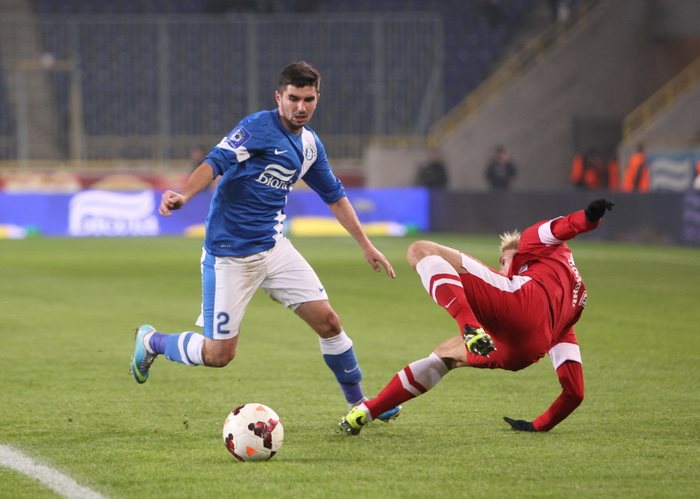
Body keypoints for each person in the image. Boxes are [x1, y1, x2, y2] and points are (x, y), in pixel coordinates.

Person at [130, 61, 401, 421]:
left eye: (308, 99)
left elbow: (334, 196)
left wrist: (366, 244)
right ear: (278, 97)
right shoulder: (257, 127)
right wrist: (185, 195)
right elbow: (215, 162)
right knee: (218, 355)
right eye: (293, 98)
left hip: (274, 249)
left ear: (317, 99)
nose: (301, 107)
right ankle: (152, 341)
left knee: (329, 322)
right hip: (229, 257)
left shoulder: (310, 145)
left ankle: (360, 403)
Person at [340, 198, 614, 434]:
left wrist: (588, 218)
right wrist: (539, 425)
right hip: (523, 352)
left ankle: (469, 325)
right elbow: (574, 392)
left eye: (504, 262)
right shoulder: (576, 302)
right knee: (445, 355)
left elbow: (563, 226)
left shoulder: (531, 241)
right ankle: (367, 411)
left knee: (420, 250)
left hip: (519, 304)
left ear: (519, 253)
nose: (503, 269)